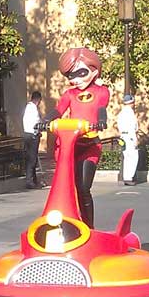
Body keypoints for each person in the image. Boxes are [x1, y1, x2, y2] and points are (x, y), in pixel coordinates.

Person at [51, 47, 112, 224]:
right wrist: (44, 121)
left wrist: (101, 121)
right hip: (70, 146)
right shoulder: (69, 94)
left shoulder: (101, 91)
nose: (76, 79)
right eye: (71, 75)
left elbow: (101, 107)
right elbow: (58, 110)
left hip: (90, 145)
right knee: (64, 187)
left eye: (81, 73)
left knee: (83, 187)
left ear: (94, 70)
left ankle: (88, 226)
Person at [116, 93, 140, 185]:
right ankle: (129, 177)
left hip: (123, 136)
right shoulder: (130, 113)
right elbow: (131, 127)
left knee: (126, 156)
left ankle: (126, 177)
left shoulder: (121, 113)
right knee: (133, 157)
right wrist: (135, 139)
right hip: (130, 136)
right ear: (132, 102)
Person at [22, 89, 44, 189]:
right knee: (32, 158)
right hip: (33, 135)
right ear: (38, 99)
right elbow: (36, 123)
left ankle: (33, 179)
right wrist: (39, 131)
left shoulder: (28, 107)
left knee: (30, 158)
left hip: (27, 134)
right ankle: (29, 181)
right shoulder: (33, 109)